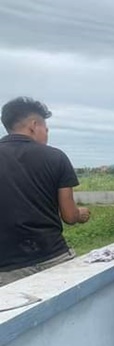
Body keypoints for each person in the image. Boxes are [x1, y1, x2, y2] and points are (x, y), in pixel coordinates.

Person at [0, 97, 90, 287]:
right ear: (34, 126)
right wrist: (81, 213)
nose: (47, 135)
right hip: (53, 257)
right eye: (46, 129)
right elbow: (69, 216)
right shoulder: (56, 157)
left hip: (6, 268)